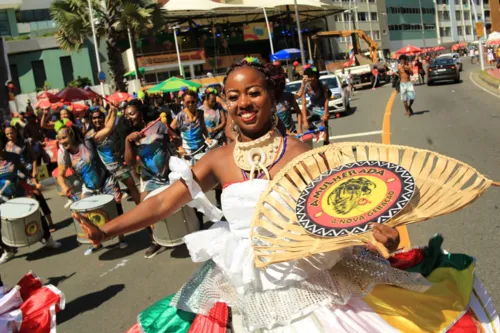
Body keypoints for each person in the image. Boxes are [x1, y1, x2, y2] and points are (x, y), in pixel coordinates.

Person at [75, 58, 492, 332]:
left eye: (253, 92)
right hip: (241, 280)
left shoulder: (300, 153)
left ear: (272, 97)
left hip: (309, 275)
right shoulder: (218, 160)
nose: (244, 103)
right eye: (234, 96)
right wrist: (107, 228)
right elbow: (164, 202)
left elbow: (347, 207)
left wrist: (378, 233)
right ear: (225, 103)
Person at [55, 119, 127, 256]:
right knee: (84, 215)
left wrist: (112, 111)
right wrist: (64, 187)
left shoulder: (88, 142)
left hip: (106, 181)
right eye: (59, 139)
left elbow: (107, 128)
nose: (62, 141)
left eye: (64, 137)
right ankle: (96, 243)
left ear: (71, 134)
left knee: (115, 210)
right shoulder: (64, 154)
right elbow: (60, 175)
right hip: (88, 187)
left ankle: (121, 238)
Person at [123, 102, 176, 258]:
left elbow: (175, 138)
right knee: (144, 210)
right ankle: (155, 241)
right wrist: (128, 141)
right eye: (126, 115)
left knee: (183, 201)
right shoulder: (131, 135)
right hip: (149, 176)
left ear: (141, 112)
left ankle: (192, 229)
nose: (129, 118)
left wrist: (175, 141)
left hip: (168, 172)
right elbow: (130, 162)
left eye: (131, 113)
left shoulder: (158, 125)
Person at [0, 137, 61, 264]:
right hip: (1, 197)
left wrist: (31, 180)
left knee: (35, 214)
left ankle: (47, 238)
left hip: (17, 192)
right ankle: (8, 250)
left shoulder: (13, 157)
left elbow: (23, 170)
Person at [4, 126, 56, 232]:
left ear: (16, 132)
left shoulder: (24, 142)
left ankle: (50, 223)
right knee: (27, 202)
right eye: (7, 134)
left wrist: (34, 172)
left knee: (39, 197)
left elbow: (34, 158)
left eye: (11, 133)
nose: (10, 135)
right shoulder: (6, 147)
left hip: (29, 173)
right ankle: (37, 226)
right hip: (17, 176)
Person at [85, 106, 140, 205]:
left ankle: (143, 212)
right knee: (114, 198)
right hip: (108, 170)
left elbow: (107, 124)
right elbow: (109, 127)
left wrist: (110, 111)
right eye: (94, 118)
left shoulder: (104, 128)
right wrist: (114, 112)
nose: (97, 120)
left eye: (99, 117)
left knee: (132, 187)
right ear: (90, 120)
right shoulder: (92, 134)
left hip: (117, 165)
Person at [267, 62, 307, 134]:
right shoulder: (266, 101)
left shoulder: (288, 96)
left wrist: (299, 129)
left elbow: (299, 112)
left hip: (292, 136)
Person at [170, 90, 211, 158]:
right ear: (183, 102)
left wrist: (207, 138)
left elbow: (203, 127)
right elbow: (169, 131)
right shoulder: (180, 116)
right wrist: (179, 146)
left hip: (202, 148)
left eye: (193, 102)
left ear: (196, 101)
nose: (190, 104)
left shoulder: (200, 113)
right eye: (187, 102)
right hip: (187, 153)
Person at [302, 65, 331, 145]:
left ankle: (326, 143)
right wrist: (305, 121)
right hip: (313, 107)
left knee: (324, 124)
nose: (309, 81)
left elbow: (326, 100)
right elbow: (303, 104)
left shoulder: (322, 84)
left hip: (322, 107)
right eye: (307, 78)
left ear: (314, 77)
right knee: (302, 117)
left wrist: (326, 113)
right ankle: (317, 133)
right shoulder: (306, 87)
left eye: (310, 78)